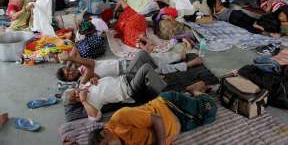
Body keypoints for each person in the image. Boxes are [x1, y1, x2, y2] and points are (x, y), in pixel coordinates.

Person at [87, 83, 217, 145]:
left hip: (170, 105)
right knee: (209, 119)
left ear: (105, 132)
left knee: (211, 108)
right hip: (180, 125)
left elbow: (157, 119)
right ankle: (192, 94)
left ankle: (194, 90)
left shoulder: (121, 118)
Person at [60, 51, 167, 120]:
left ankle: (156, 75)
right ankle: (164, 93)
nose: (77, 95)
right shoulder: (89, 103)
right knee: (146, 68)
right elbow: (96, 117)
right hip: (128, 90)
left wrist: (95, 78)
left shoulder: (83, 84)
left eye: (74, 93)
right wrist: (83, 101)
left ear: (75, 88)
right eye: (75, 99)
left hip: (125, 77)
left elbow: (91, 66)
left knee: (141, 54)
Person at [57, 49, 203, 83]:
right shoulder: (83, 80)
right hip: (126, 72)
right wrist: (69, 59)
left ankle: (179, 57)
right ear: (70, 80)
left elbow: (75, 49)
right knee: (157, 66)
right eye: (68, 75)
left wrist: (68, 61)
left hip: (123, 63)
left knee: (154, 59)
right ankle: (190, 63)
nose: (70, 72)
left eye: (67, 70)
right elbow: (90, 64)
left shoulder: (77, 67)